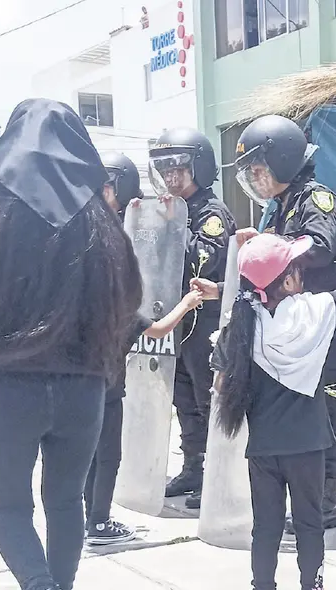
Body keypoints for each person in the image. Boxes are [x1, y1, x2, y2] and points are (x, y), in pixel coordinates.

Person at [0, 99, 143, 590]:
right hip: (83, 386)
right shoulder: (100, 220)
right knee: (67, 502)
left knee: (6, 507)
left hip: (3, 386)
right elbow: (131, 299)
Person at [209, 219, 336, 590]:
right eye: (297, 268)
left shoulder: (246, 322)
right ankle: (311, 583)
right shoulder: (314, 311)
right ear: (289, 282)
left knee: (266, 525)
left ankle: (261, 584)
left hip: (263, 447)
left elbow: (219, 381)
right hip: (308, 445)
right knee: (310, 523)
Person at [233, 114, 336, 533]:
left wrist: (275, 246)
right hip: (293, 332)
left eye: (259, 169)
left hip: (325, 329)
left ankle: (324, 500)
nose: (256, 178)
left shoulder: (315, 199)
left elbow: (320, 247)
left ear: (283, 159)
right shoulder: (278, 207)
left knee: (327, 412)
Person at [83, 152, 206, 544]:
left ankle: (85, 519)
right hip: (107, 392)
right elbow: (158, 328)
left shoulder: (92, 302)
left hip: (80, 386)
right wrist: (187, 303)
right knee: (108, 457)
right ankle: (99, 523)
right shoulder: (124, 310)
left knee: (84, 457)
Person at [149, 128, 236, 510]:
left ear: (198, 166)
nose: (170, 176)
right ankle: (192, 467)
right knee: (183, 397)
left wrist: (173, 226)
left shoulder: (211, 213)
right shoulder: (173, 210)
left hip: (206, 322)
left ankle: (217, 474)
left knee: (207, 398)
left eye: (178, 167)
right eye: (164, 168)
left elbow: (202, 260)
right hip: (179, 321)